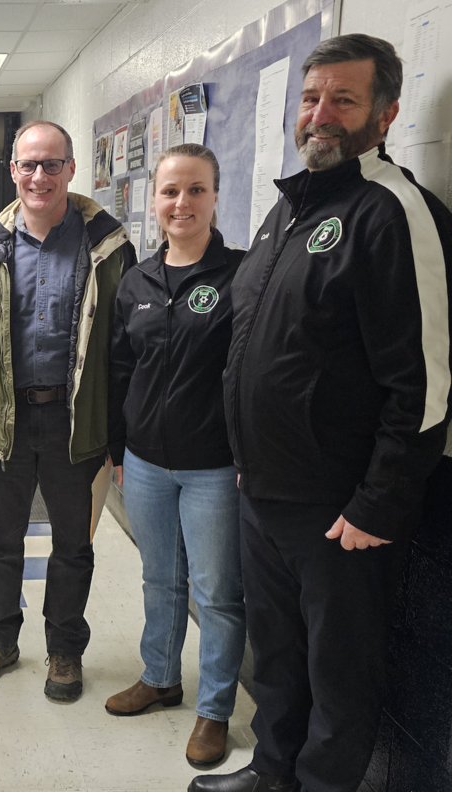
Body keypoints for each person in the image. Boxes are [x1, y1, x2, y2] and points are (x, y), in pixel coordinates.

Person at [192, 35, 452, 792]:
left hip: (342, 508)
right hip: (265, 492)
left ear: (386, 113)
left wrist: (380, 500)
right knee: (275, 658)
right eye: (311, 99)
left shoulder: (393, 211)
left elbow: (429, 380)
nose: (320, 115)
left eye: (342, 99)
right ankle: (273, 774)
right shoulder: (288, 213)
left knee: (338, 672)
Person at [0, 120, 137, 702]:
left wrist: (119, 433)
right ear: (13, 171)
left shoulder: (108, 247)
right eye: (28, 164)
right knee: (1, 540)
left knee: (73, 544)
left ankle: (64, 651)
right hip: (5, 421)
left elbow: (127, 347)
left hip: (76, 425)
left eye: (51, 164)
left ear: (71, 170)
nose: (39, 175)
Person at [104, 144, 246, 768]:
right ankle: (160, 678)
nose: (181, 203)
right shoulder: (136, 279)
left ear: (215, 196)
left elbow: (252, 375)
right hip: (144, 463)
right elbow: (118, 367)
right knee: (159, 579)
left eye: (195, 190)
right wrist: (116, 450)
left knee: (215, 593)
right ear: (153, 200)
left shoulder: (241, 275)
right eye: (170, 192)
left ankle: (213, 711)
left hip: (214, 466)